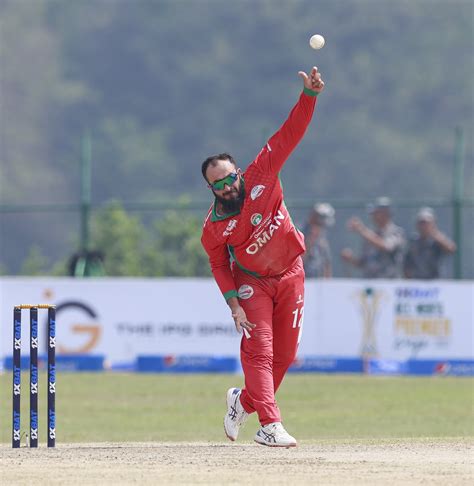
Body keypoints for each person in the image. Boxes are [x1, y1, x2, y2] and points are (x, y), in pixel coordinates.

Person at [200, 66, 324, 447]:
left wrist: (309, 96)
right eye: (216, 184)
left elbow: (290, 134)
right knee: (260, 350)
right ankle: (270, 424)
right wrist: (233, 304)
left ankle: (244, 401)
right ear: (211, 188)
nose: (225, 187)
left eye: (228, 178)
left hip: (290, 273)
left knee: (284, 358)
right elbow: (219, 264)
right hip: (252, 283)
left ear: (238, 172)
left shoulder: (262, 172)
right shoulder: (214, 227)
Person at [341, 197, 405, 278]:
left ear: (386, 213)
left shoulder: (397, 232)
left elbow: (386, 246)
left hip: (389, 283)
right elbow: (363, 263)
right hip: (370, 283)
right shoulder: (370, 234)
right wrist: (351, 259)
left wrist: (361, 230)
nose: (373, 216)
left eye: (376, 213)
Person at [403, 207, 456, 279]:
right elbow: (407, 263)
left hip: (436, 280)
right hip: (416, 280)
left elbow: (451, 249)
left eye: (427, 223)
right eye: (421, 223)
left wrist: (435, 234)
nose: (424, 226)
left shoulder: (438, 240)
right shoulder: (413, 241)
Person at [302, 203, 335, 278]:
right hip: (304, 278)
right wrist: (310, 241)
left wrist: (328, 281)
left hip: (319, 280)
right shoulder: (301, 232)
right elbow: (298, 261)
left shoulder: (322, 236)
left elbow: (327, 262)